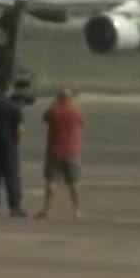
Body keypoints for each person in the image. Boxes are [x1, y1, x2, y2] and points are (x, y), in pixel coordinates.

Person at [36, 87, 84, 220]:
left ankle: (47, 209)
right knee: (74, 183)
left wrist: (53, 103)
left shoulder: (53, 111)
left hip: (54, 150)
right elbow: (81, 123)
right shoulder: (75, 111)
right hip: (72, 150)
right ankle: (77, 211)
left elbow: (45, 117)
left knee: (51, 181)